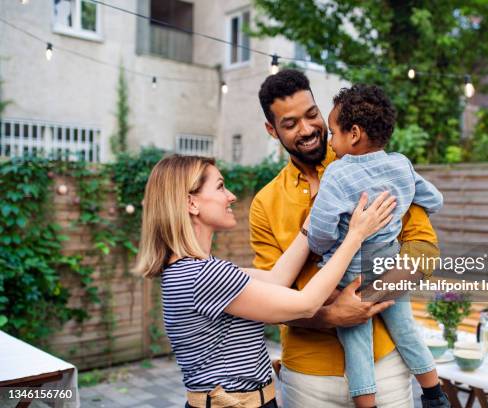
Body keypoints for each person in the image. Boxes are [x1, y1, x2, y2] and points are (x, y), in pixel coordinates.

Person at [133, 154, 396, 408]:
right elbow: (306, 303)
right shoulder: (204, 276)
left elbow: (276, 279)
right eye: (221, 187)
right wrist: (356, 235)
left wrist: (314, 220)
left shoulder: (192, 271)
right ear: (192, 203)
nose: (231, 196)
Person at [251, 69, 444, 407]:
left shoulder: (369, 165)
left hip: (385, 364)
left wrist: (371, 291)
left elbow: (425, 249)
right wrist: (332, 315)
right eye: (291, 123)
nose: (309, 129)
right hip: (307, 375)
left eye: (312, 115)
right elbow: (270, 299)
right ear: (272, 130)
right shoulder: (264, 204)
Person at [308, 84, 448, 408]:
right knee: (406, 329)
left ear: (354, 134)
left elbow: (319, 234)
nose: (330, 141)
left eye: (333, 133)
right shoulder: (401, 164)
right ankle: (434, 393)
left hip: (352, 276)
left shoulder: (337, 174)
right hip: (389, 265)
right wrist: (401, 201)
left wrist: (323, 245)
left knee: (357, 341)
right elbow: (435, 200)